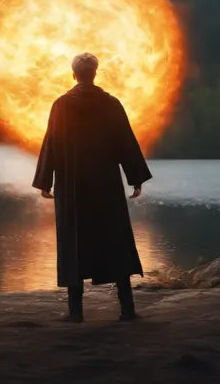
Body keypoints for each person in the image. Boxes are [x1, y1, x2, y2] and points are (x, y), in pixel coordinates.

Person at [33, 52, 152, 323]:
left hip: (72, 186)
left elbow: (51, 142)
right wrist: (135, 177)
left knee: (73, 241)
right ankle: (127, 309)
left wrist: (44, 181)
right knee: (115, 241)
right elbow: (126, 142)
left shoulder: (61, 106)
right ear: (95, 74)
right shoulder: (111, 104)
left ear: (74, 75)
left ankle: (75, 313)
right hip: (106, 187)